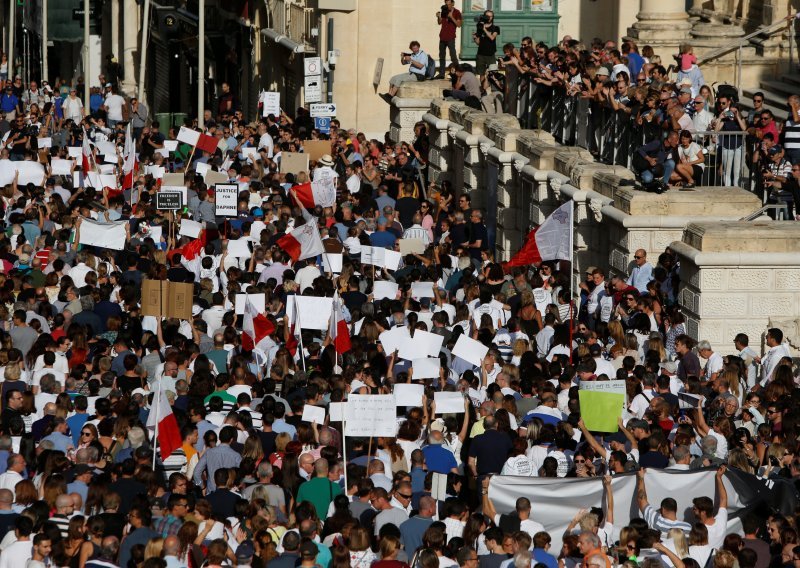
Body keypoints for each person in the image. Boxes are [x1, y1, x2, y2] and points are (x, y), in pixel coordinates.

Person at [436, 0, 462, 78]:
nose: (447, 6)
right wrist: (439, 16)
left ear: (453, 4)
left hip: (450, 37)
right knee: (442, 56)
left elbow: (459, 25)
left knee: (453, 56)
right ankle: (441, 74)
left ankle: (458, 72)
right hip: (442, 36)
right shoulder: (444, 11)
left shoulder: (457, 12)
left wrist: (451, 17)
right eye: (446, 4)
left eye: (449, 4)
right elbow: (439, 22)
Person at [472, 10, 500, 75]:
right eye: (487, 16)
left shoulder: (495, 28)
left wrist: (485, 29)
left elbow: (492, 38)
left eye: (491, 16)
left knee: (493, 73)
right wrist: (475, 38)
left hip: (490, 54)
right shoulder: (479, 27)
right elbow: (479, 43)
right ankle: (482, 85)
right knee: (481, 74)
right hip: (480, 54)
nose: (489, 18)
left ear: (493, 17)